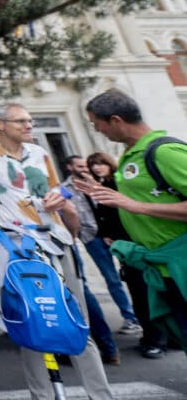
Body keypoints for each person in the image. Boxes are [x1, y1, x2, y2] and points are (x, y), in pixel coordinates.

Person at [0, 102, 114, 400]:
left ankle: (101, 395)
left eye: (31, 121)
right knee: (29, 324)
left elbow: (56, 188)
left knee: (78, 321)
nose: (29, 126)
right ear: (0, 124)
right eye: (21, 121)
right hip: (18, 247)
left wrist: (58, 197)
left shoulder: (41, 153)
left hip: (56, 241)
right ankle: (43, 396)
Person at [80, 89, 187, 352]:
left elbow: (139, 206)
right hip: (161, 269)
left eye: (97, 124)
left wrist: (136, 206)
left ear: (116, 120)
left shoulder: (165, 151)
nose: (97, 130)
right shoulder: (130, 155)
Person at [86, 151, 168, 358]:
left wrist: (115, 235)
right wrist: (106, 235)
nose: (96, 168)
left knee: (145, 293)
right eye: (92, 165)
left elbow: (124, 213)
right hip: (123, 247)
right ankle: (154, 337)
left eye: (100, 163)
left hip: (134, 246)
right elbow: (103, 216)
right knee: (139, 291)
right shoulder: (100, 185)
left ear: (109, 163)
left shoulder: (119, 183)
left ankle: (156, 340)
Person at [59, 156, 122, 365]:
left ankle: (106, 345)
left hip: (95, 235)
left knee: (80, 290)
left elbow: (74, 212)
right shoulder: (63, 187)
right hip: (86, 237)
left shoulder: (100, 182)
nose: (86, 169)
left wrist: (74, 234)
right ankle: (105, 347)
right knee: (81, 290)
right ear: (69, 167)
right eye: (80, 166)